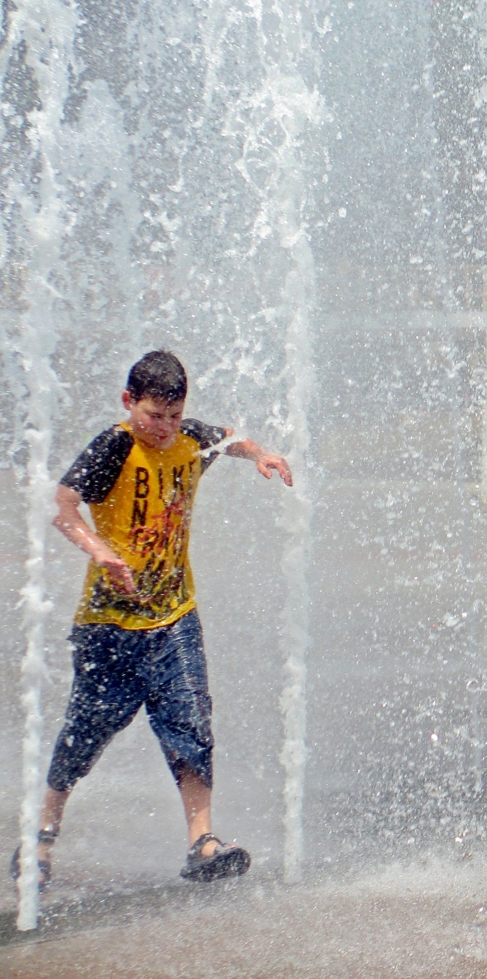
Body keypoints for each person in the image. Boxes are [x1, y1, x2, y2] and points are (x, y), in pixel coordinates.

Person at [11, 351, 293, 888]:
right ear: (128, 402)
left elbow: (229, 437)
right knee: (86, 732)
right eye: (153, 415)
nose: (164, 428)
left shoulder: (190, 437)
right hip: (108, 624)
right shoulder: (115, 446)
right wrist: (99, 551)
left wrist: (261, 454)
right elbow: (64, 506)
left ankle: (202, 843)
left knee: (191, 722)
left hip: (173, 614)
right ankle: (41, 839)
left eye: (173, 415)